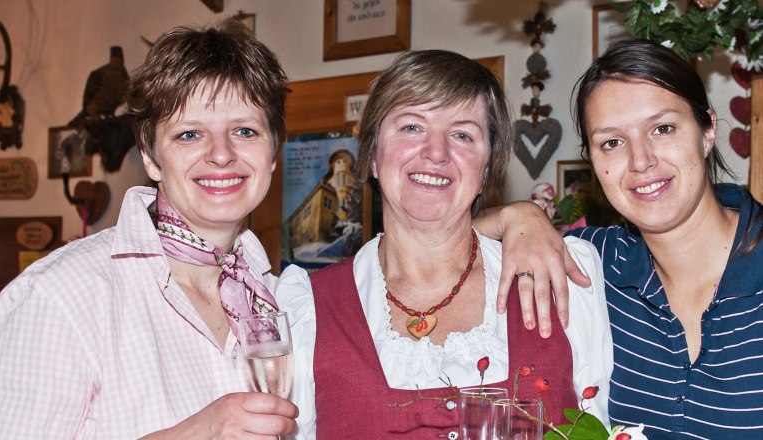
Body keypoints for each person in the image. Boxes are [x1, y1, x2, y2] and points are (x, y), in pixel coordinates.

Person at [0, 18, 298, 438]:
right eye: (189, 134)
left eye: (245, 130)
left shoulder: (273, 296)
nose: (222, 154)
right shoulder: (59, 296)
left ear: (273, 154)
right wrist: (194, 433)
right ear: (150, 158)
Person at [275, 49, 613, 439]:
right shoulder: (304, 308)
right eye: (412, 127)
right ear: (371, 155)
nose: (436, 153)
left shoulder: (562, 276)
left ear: (486, 168)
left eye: (462, 134)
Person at [507, 38, 763, 438]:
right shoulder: (597, 263)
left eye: (662, 129)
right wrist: (518, 215)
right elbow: (451, 235)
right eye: (612, 142)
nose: (641, 161)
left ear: (707, 130)